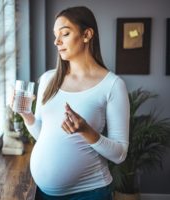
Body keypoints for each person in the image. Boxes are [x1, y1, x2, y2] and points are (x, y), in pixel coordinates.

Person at [15, 6, 130, 200]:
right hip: (44, 194)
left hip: (89, 193)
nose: (56, 41)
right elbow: (43, 136)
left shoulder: (112, 85)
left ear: (87, 34)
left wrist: (86, 131)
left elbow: (120, 154)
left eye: (65, 34)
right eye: (55, 35)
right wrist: (27, 115)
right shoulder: (47, 80)